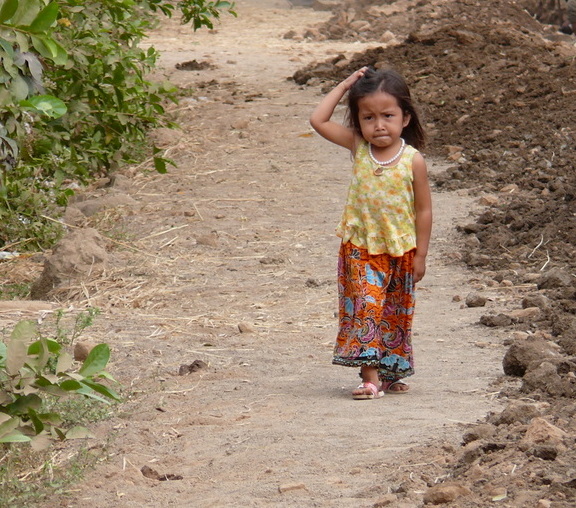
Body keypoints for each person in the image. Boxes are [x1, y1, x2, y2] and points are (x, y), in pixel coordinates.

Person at [310, 66, 432, 400]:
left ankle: (390, 374)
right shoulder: (358, 147)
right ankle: (370, 379)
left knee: (394, 311)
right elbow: (318, 120)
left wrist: (421, 255)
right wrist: (346, 85)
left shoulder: (412, 161)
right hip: (360, 250)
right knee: (366, 307)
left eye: (388, 115)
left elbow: (423, 210)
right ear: (358, 122)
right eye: (368, 117)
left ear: (405, 118)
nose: (378, 125)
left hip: (400, 250)